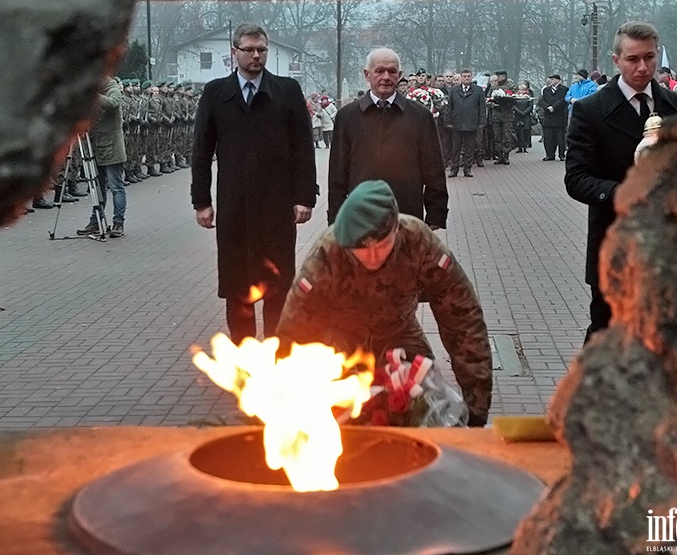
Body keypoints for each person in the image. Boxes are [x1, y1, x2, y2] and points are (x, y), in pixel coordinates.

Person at [276, 180, 492, 427]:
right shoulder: (327, 255)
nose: (373, 257)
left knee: (424, 401)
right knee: (344, 422)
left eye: (382, 246)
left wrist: (477, 409)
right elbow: (293, 333)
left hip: (399, 333)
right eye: (361, 250)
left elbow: (463, 322)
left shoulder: (419, 243)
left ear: (396, 228)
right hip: (340, 339)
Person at [190, 23, 317, 344]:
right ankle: (244, 356)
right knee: (238, 286)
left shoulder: (286, 91)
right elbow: (202, 150)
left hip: (277, 207)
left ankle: (277, 354)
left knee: (277, 283)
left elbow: (303, 147)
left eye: (262, 49)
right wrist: (201, 201)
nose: (256, 56)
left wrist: (305, 197)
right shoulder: (217, 93)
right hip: (234, 208)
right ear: (234, 52)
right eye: (249, 49)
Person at [564, 21, 677, 344]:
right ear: (615, 60)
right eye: (633, 59)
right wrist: (624, 194)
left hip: (669, 246)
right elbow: (576, 179)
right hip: (613, 243)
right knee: (607, 340)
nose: (643, 68)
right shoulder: (589, 111)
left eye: (649, 57)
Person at [328, 47, 448, 230]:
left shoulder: (420, 116)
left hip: (407, 215)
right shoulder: (347, 117)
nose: (386, 77)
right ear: (367, 75)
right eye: (379, 71)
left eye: (392, 71)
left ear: (399, 75)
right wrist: (336, 219)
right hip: (360, 217)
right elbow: (337, 172)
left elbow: (433, 168)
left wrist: (435, 214)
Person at [76, 74, 128, 238]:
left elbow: (113, 103)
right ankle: (96, 221)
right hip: (94, 147)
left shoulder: (112, 88)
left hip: (112, 147)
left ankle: (118, 223)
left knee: (116, 187)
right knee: (96, 187)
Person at [446, 68, 487, 177]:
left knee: (470, 147)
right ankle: (454, 169)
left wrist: (481, 122)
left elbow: (482, 107)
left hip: (471, 122)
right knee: (456, 148)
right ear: (461, 77)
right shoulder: (454, 90)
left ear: (471, 77)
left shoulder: (478, 90)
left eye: (468, 76)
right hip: (457, 122)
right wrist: (449, 121)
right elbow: (449, 107)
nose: (466, 78)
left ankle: (467, 169)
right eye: (464, 76)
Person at [539, 74, 568, 161]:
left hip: (559, 116)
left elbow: (563, 100)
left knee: (560, 138)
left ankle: (561, 154)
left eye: (553, 79)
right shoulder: (546, 90)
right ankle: (550, 154)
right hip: (548, 116)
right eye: (550, 79)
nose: (551, 80)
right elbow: (542, 100)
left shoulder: (564, 89)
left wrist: (554, 107)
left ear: (558, 80)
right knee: (549, 137)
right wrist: (547, 107)